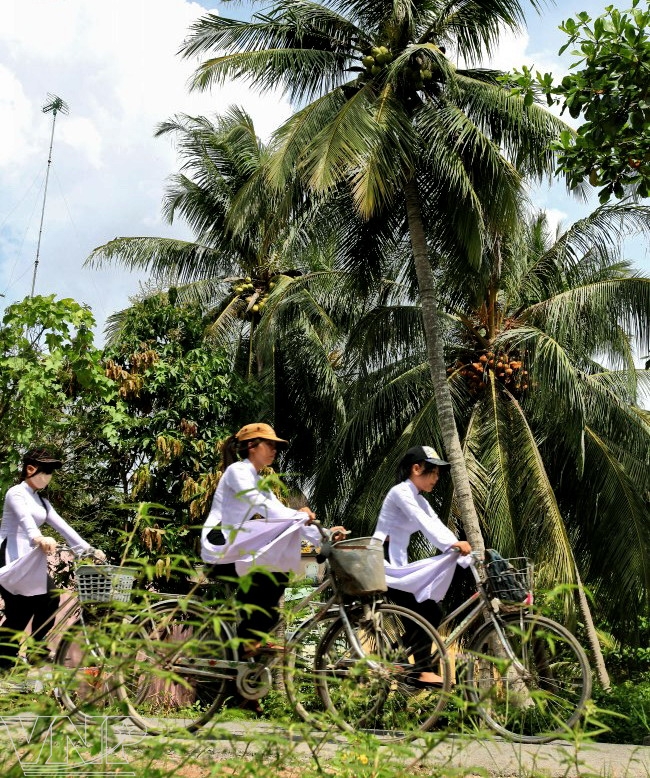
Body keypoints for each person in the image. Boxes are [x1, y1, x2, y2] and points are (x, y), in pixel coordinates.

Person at [201, 423, 345, 657]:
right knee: (269, 574)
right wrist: (298, 515)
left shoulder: (260, 482)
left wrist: (325, 535)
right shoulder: (237, 472)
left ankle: (248, 643)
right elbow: (262, 506)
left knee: (277, 574)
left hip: (237, 545)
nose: (274, 450)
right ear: (251, 446)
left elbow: (284, 517)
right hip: (219, 543)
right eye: (269, 444)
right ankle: (246, 641)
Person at [373, 445, 472, 684]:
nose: (436, 478)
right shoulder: (400, 492)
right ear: (416, 469)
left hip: (396, 564)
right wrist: (452, 544)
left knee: (431, 611)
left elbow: (435, 522)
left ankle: (395, 658)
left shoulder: (418, 498)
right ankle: (421, 671)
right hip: (380, 561)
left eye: (438, 473)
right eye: (433, 472)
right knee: (424, 612)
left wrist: (465, 554)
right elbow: (423, 523)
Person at [0, 448, 106, 670]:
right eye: (45, 470)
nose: (48, 476)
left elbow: (64, 528)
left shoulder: (42, 502)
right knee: (19, 611)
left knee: (49, 597)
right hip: (8, 557)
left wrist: (88, 549)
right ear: (30, 469)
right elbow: (25, 520)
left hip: (29, 560)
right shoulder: (15, 493)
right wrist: (38, 537)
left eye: (50, 472)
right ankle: (5, 661)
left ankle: (35, 650)